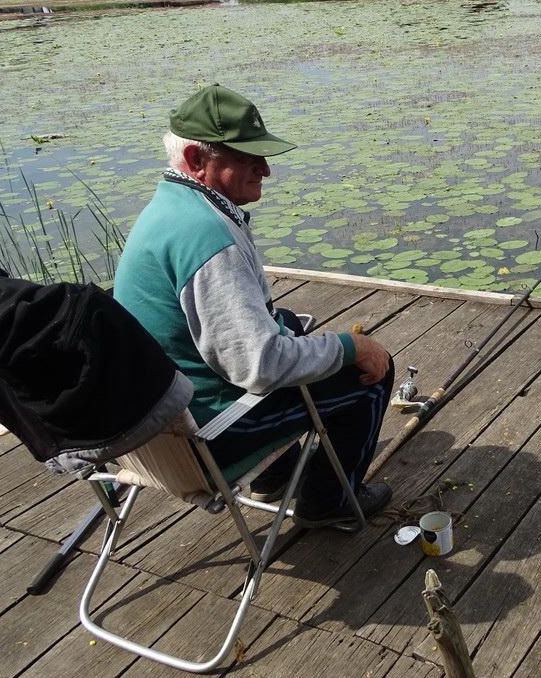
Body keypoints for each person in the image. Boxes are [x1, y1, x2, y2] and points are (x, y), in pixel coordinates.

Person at [114, 84, 393, 527]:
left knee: (293, 329)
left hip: (157, 426)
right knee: (371, 371)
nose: (265, 170)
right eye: (247, 158)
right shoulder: (206, 238)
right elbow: (259, 364)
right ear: (196, 161)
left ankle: (277, 475)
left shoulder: (169, 208)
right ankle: (329, 504)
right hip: (209, 436)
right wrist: (352, 348)